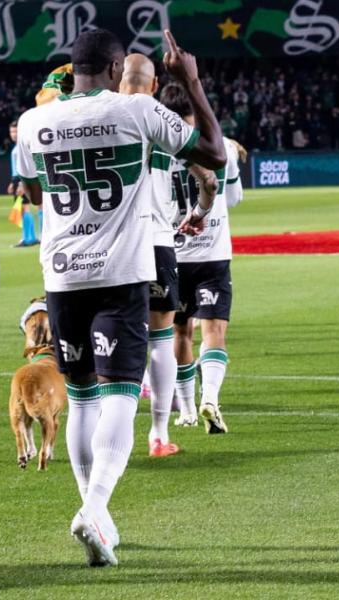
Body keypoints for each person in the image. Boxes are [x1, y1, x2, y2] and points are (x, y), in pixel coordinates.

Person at [17, 29, 225, 567]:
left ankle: (98, 520)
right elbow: (215, 154)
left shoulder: (34, 122)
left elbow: (36, 190)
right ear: (115, 69)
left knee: (82, 398)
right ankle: (95, 508)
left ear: (71, 68)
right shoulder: (135, 111)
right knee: (120, 397)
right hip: (121, 274)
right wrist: (192, 82)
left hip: (62, 277)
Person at [119, 54, 218, 457]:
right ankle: (158, 435)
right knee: (161, 340)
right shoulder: (158, 119)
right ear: (154, 84)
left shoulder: (99, 114)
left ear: (117, 78)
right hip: (158, 241)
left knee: (116, 342)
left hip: (109, 248)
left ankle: (110, 435)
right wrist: (200, 213)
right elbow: (209, 176)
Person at [159, 83, 245, 434]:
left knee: (179, 332)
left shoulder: (157, 149)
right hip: (213, 253)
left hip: (171, 254)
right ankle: (210, 396)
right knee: (214, 331)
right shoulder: (222, 147)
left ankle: (188, 410)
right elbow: (235, 198)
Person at [8, 121, 38, 247]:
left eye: (15, 131)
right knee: (24, 208)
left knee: (24, 207)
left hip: (20, 179)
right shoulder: (18, 147)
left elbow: (23, 166)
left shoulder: (20, 146)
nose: (13, 134)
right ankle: (31, 237)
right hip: (17, 178)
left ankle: (28, 238)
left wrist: (20, 183)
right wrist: (12, 182)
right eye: (11, 132)